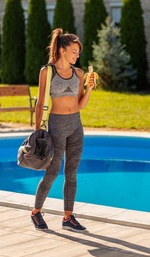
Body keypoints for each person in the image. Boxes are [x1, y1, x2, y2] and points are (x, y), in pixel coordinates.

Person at [30, 28, 95, 233]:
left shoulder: (78, 73)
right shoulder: (47, 71)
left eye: (78, 52)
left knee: (72, 173)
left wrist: (90, 89)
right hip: (56, 125)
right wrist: (37, 132)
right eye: (74, 51)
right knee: (52, 171)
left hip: (76, 124)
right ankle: (36, 212)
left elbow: (80, 104)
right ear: (62, 50)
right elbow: (40, 103)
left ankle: (68, 217)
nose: (77, 55)